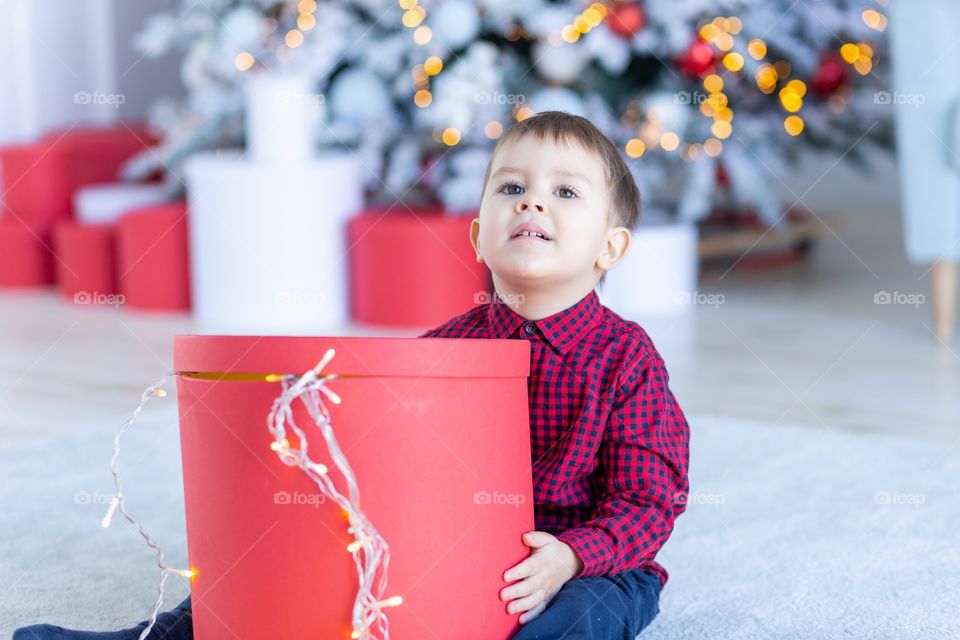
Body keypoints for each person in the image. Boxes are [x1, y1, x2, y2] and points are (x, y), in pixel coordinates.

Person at [14, 111, 690, 640]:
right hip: (462, 550)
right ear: (479, 233)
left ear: (611, 246)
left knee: (584, 617)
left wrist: (574, 556)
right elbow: (389, 466)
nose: (532, 204)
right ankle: (156, 637)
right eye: (512, 188)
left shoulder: (626, 359)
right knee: (262, 576)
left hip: (589, 560)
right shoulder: (441, 351)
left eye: (564, 192)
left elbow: (648, 501)